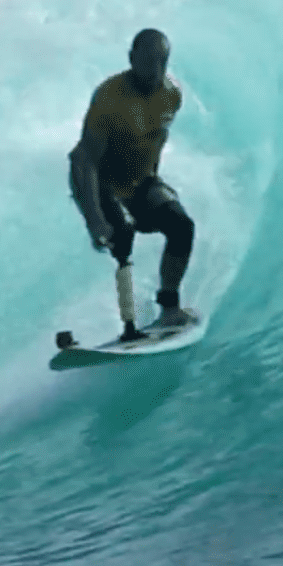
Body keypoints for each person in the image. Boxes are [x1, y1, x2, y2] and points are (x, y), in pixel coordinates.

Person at [69, 28, 197, 341]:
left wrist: (155, 190)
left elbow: (152, 142)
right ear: (130, 59)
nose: (151, 71)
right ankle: (129, 329)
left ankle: (169, 308)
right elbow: (84, 162)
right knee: (122, 233)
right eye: (145, 63)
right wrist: (96, 219)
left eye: (159, 64)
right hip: (102, 183)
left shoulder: (172, 95)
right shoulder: (109, 98)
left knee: (181, 226)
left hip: (141, 182)